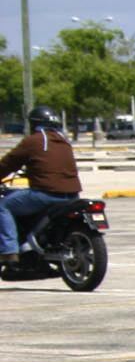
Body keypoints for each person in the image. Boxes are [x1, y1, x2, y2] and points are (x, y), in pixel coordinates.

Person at [0, 107, 82, 266]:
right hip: (72, 195)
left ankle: (8, 251)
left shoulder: (33, 141)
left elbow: (9, 163)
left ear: (33, 124)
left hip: (45, 194)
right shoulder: (64, 142)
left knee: (3, 206)